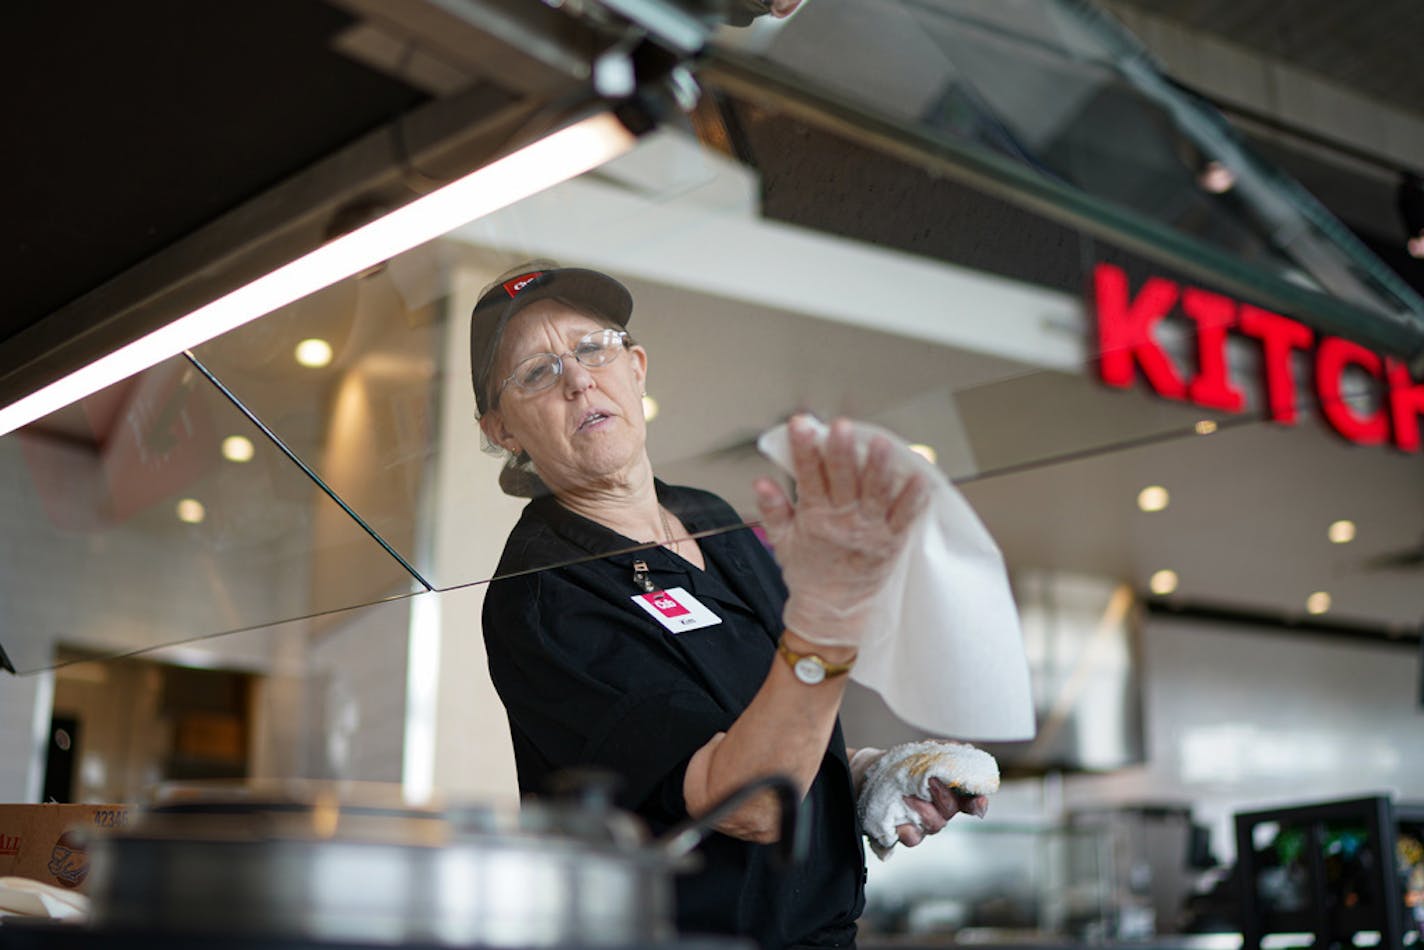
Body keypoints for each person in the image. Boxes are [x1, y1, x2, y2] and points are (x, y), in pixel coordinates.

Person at [473, 262, 982, 949]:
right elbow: (748, 804)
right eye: (537, 371)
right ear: (503, 429)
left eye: (593, 347)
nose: (577, 378)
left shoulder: (707, 516)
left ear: (637, 365)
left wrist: (856, 776)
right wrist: (828, 623)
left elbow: (765, 713)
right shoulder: (545, 594)